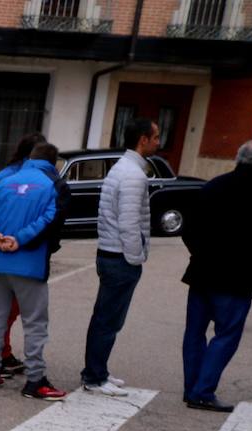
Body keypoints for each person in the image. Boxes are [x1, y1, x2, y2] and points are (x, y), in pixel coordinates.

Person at [0, 142, 67, 401]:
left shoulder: (4, 179)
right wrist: (20, 239)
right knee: (35, 324)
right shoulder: (53, 184)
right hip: (30, 266)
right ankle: (35, 380)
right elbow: (51, 219)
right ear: (52, 162)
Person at [80, 117, 161, 396]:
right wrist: (136, 257)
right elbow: (128, 223)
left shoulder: (123, 168)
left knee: (107, 318)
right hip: (119, 258)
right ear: (143, 140)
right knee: (108, 320)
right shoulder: (133, 175)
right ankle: (94, 377)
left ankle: (97, 371)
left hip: (112, 254)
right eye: (155, 137)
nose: (158, 142)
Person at [179, 138, 252, 412]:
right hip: (238, 279)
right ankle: (202, 391)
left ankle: (192, 388)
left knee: (195, 333)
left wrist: (199, 254)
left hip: (202, 272)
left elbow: (188, 229)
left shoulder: (213, 186)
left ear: (238, 159)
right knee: (226, 335)